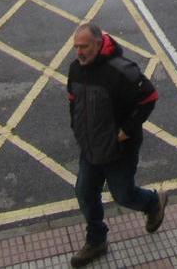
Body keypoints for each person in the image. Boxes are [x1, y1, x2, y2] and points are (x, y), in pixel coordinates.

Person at [67, 22, 168, 267]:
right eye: (76, 47)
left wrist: (125, 131)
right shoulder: (76, 69)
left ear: (99, 43)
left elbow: (149, 97)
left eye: (84, 46)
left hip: (119, 150)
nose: (79, 52)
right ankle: (97, 239)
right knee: (84, 193)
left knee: (123, 195)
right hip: (90, 147)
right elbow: (73, 99)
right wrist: (78, 128)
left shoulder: (121, 71)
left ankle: (153, 202)